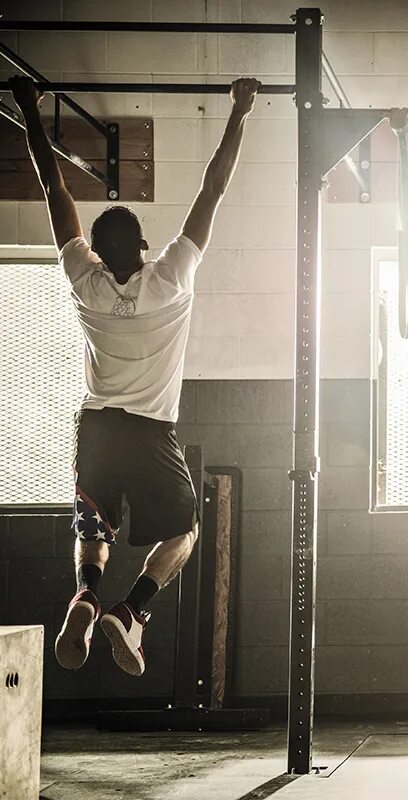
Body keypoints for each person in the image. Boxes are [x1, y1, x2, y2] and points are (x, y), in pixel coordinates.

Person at [9, 75, 260, 677]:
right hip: (152, 433)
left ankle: (87, 597)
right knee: (184, 534)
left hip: (95, 429)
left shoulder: (84, 281)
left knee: (92, 526)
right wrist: (240, 111)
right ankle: (131, 613)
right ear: (144, 246)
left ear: (95, 250)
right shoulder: (171, 277)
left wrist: (29, 112)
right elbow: (213, 190)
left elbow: (53, 186)